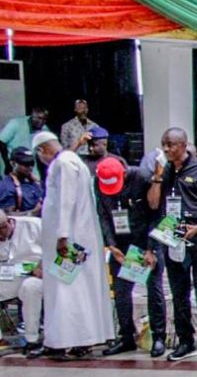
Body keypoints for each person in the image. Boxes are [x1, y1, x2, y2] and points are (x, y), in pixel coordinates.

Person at [31, 132, 114, 360]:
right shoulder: (71, 160)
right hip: (75, 238)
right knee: (77, 290)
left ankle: (63, 342)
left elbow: (67, 201)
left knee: (65, 290)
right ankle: (81, 340)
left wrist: (62, 235)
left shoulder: (64, 164)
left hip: (68, 242)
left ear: (42, 150)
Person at [148, 128, 197, 362]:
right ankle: (185, 341)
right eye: (164, 145)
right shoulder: (165, 170)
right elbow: (153, 204)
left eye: (170, 144)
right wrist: (158, 176)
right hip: (173, 236)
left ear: (183, 145)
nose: (166, 149)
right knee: (179, 292)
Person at [92, 157, 167, 357]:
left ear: (124, 173)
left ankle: (158, 336)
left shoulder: (142, 177)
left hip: (146, 241)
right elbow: (103, 214)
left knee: (154, 289)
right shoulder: (98, 181)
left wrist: (152, 248)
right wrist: (111, 245)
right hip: (121, 244)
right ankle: (126, 337)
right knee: (121, 291)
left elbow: (158, 213)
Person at [0, 212, 43, 354]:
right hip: (10, 275)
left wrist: (42, 266)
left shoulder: (35, 225)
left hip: (41, 275)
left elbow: (59, 249)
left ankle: (32, 339)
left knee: (30, 288)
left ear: (7, 223)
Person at [0, 148, 44, 215]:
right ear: (13, 164)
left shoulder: (35, 182)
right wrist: (32, 213)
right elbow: (6, 215)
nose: (30, 167)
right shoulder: (7, 187)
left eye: (32, 163)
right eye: (25, 164)